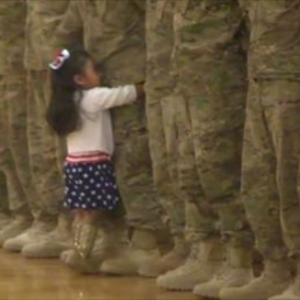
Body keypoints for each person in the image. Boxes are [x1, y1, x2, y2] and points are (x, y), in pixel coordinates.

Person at [46, 48, 145, 272]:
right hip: (94, 164)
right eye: (94, 70)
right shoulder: (93, 97)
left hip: (73, 166)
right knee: (93, 213)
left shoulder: (66, 104)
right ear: (80, 79)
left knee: (81, 211)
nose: (99, 74)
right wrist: (143, 87)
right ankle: (83, 254)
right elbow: (123, 94)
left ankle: (78, 249)